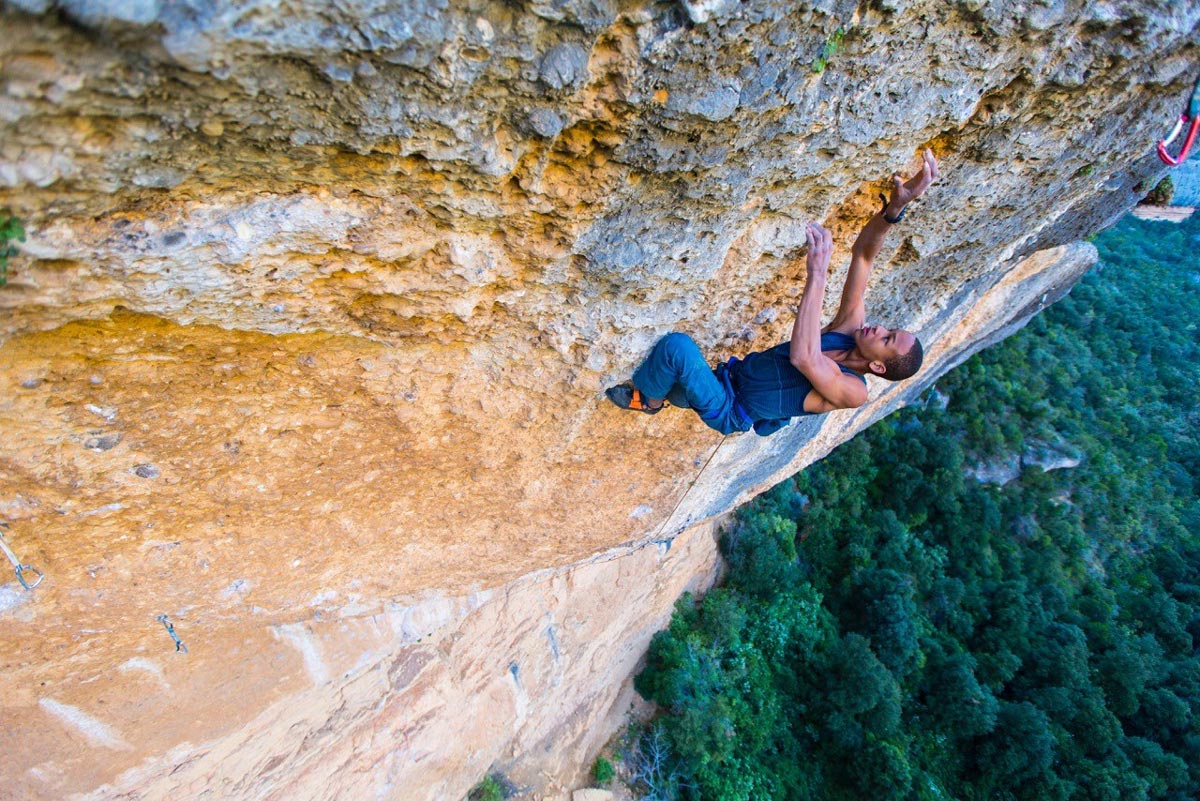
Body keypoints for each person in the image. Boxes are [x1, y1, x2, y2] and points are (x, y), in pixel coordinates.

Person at [606, 149, 939, 436]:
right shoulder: (850, 330)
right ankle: (669, 394)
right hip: (724, 377)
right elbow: (864, 256)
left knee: (676, 349)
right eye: (890, 329)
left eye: (886, 339)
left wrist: (818, 275)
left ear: (879, 367)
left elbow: (804, 358)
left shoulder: (852, 391)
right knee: (680, 385)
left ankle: (648, 400)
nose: (880, 329)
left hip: (728, 409)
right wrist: (893, 212)